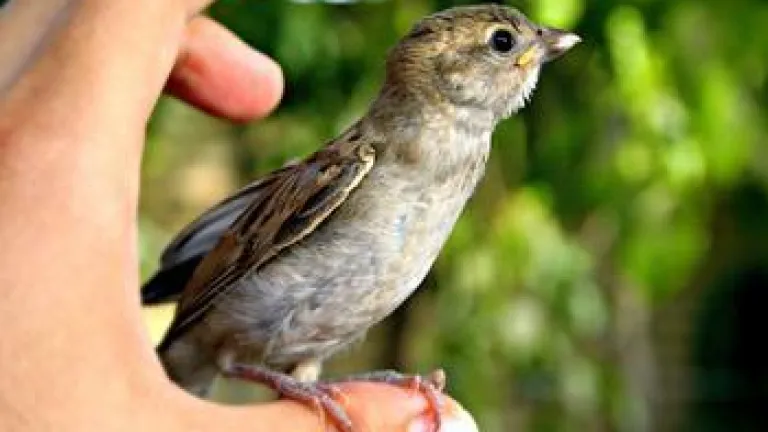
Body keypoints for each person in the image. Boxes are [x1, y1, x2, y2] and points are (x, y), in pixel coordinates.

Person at [0, 1, 476, 431]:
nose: (534, 49)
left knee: (320, 384)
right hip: (212, 341)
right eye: (503, 44)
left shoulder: (458, 170)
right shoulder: (355, 164)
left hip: (296, 353)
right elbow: (235, 250)